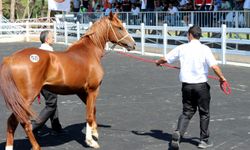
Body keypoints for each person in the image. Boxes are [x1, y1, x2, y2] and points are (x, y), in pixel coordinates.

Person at [156, 25, 227, 149]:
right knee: (204, 113)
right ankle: (204, 141)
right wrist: (222, 78)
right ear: (199, 35)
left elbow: (166, 59)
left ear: (190, 34)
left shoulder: (182, 48)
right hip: (201, 86)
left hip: (187, 86)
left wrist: (158, 62)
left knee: (187, 111)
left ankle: (178, 132)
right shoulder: (205, 49)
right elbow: (214, 67)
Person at [32, 30, 65, 135]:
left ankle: (56, 127)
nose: (53, 38)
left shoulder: (39, 51)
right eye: (52, 37)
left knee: (52, 102)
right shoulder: (49, 52)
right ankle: (33, 127)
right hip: (48, 82)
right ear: (47, 39)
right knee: (51, 104)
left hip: (41, 82)